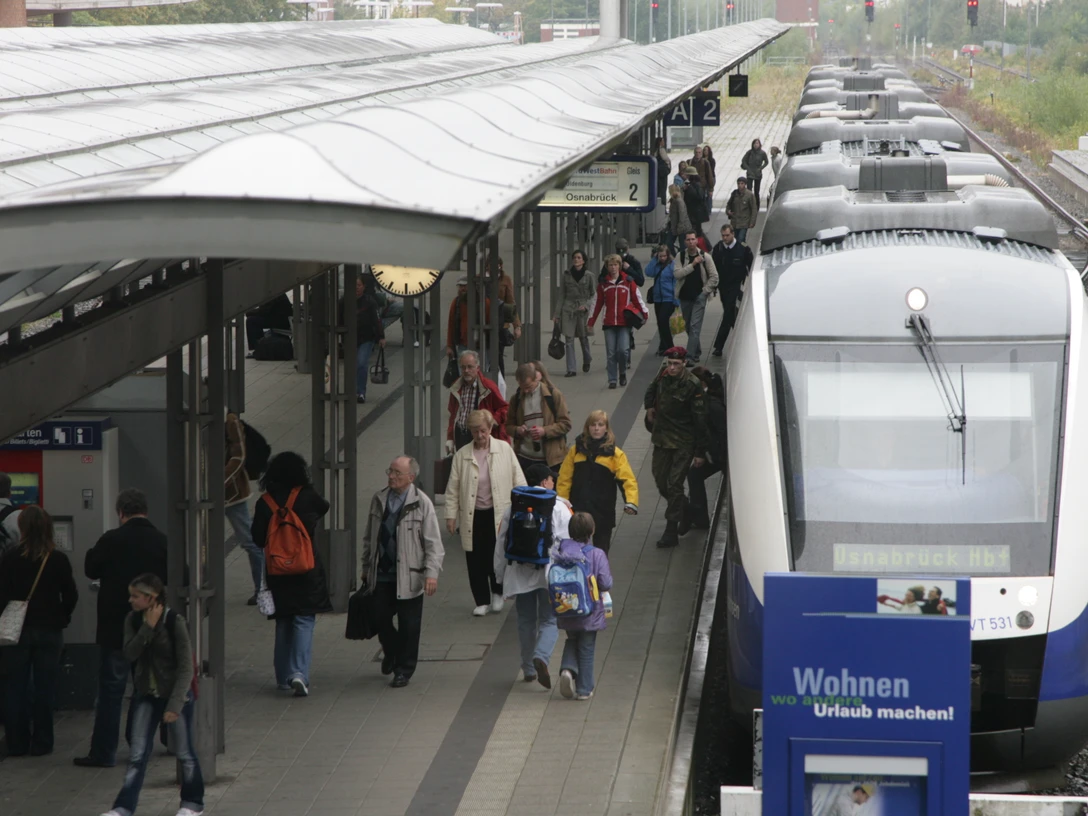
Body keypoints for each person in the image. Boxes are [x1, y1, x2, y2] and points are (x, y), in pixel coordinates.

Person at [75, 488, 168, 769]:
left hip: (115, 631)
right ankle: (139, 745)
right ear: (145, 511)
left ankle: (103, 753)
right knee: (143, 690)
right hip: (149, 630)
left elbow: (91, 568)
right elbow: (183, 574)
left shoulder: (111, 539)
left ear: (120, 512)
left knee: (111, 692)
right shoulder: (162, 541)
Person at [98, 573, 204, 816]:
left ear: (151, 597)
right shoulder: (133, 621)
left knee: (185, 752)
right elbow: (129, 654)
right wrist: (147, 628)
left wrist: (176, 705)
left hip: (176, 695)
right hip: (146, 694)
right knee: (137, 754)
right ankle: (123, 807)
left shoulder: (174, 621)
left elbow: (186, 666)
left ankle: (192, 803)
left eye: (135, 596)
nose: (131, 600)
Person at [252, 452, 332, 697]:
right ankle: (299, 673)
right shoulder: (307, 497)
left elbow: (256, 538)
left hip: (278, 571)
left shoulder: (265, 502)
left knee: (284, 621)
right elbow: (324, 507)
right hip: (307, 569)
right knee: (304, 620)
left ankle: (282, 677)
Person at [360, 456, 444, 688]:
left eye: (397, 473)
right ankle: (392, 651)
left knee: (409, 625)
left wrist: (431, 574)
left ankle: (403, 670)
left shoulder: (422, 503)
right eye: (390, 471)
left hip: (410, 576)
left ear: (410, 477)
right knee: (380, 619)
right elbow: (369, 537)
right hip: (382, 574)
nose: (391, 476)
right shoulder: (379, 499)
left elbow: (433, 543)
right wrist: (366, 567)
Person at [0, 506, 77, 757]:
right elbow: (71, 595)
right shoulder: (58, 559)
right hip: (50, 630)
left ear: (21, 528)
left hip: (17, 631)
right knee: (45, 687)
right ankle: (43, 742)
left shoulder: (9, 558)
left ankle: (17, 742)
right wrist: (62, 617)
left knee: (15, 687)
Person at [494, 463, 571, 687]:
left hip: (520, 571)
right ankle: (542, 655)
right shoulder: (559, 507)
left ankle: (528, 667)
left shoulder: (513, 507)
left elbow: (501, 542)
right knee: (549, 619)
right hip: (549, 573)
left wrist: (500, 577)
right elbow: (568, 544)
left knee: (525, 620)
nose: (554, 482)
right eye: (551, 479)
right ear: (545, 482)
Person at [445, 409, 526, 616]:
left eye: (482, 430)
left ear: (490, 428)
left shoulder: (504, 449)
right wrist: (451, 515)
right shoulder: (462, 455)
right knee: (474, 558)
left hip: (498, 513)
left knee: (496, 555)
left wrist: (522, 509)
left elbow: (519, 479)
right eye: (474, 432)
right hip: (473, 515)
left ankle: (498, 592)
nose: (479, 436)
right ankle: (481, 600)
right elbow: (453, 489)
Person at [644, 347, 708, 549]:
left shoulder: (692, 385)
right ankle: (687, 509)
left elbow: (700, 420)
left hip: (683, 441)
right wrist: (649, 407)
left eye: (676, 364)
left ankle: (671, 530)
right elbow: (651, 390)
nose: (672, 367)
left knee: (674, 484)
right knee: (660, 480)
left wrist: (699, 452)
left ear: (684, 364)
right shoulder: (663, 375)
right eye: (670, 363)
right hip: (662, 438)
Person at [557, 410, 638, 553]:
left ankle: (599, 575)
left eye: (600, 425)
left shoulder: (615, 454)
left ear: (606, 428)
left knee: (600, 551)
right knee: (576, 551)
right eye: (593, 425)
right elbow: (565, 478)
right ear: (587, 427)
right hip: (578, 511)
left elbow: (627, 479)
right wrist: (562, 502)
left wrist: (631, 501)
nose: (596, 428)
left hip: (603, 511)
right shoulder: (576, 450)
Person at [554, 512, 613, 701]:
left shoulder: (562, 551)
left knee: (572, 639)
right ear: (592, 531)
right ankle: (584, 689)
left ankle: (567, 669)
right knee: (587, 646)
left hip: (566, 607)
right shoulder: (596, 554)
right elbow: (605, 583)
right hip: (589, 610)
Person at [588, 254, 646, 390]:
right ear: (607, 267)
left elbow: (638, 299)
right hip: (609, 323)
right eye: (610, 265)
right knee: (611, 353)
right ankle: (612, 379)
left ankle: (623, 373)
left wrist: (644, 314)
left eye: (615, 265)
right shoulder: (603, 284)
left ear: (620, 266)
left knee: (623, 350)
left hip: (624, 323)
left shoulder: (628, 281)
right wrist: (590, 322)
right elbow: (597, 304)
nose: (613, 268)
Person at [506, 362, 572, 475]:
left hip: (550, 460)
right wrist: (517, 430)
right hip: (524, 458)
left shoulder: (553, 395)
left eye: (528, 387)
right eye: (522, 387)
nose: (525, 391)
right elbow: (508, 426)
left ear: (536, 379)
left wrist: (544, 431)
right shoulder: (516, 399)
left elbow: (566, 424)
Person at [225, 412, 263, 606]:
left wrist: (218, 481)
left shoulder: (229, 421)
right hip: (206, 493)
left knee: (250, 541)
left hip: (232, 493)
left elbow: (239, 457)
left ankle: (262, 588)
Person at [446, 349, 509, 453]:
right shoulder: (456, 387)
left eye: (470, 367)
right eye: (463, 367)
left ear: (477, 368)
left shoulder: (488, 387)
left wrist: (492, 420)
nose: (466, 370)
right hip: (461, 436)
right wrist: (450, 438)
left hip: (480, 437)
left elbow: (504, 408)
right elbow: (452, 415)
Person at [685, 368, 725, 531]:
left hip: (723, 455)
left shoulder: (712, 405)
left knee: (695, 474)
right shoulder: (703, 400)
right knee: (694, 474)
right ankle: (700, 519)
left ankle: (700, 518)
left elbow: (720, 432)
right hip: (717, 454)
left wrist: (704, 454)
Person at [340, 273, 385, 404]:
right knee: (351, 365)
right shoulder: (344, 302)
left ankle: (360, 392)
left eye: (359, 285)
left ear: (364, 287)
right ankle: (351, 390)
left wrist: (381, 337)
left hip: (366, 338)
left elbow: (377, 320)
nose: (356, 288)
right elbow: (339, 318)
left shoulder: (369, 302)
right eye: (354, 285)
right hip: (349, 338)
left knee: (361, 363)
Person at [674, 231, 719, 365]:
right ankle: (697, 350)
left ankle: (689, 356)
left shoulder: (706, 257)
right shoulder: (680, 256)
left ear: (697, 241)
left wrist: (705, 292)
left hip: (699, 297)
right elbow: (677, 274)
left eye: (693, 239)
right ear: (685, 242)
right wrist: (693, 264)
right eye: (688, 240)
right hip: (685, 296)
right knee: (688, 325)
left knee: (695, 326)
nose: (691, 242)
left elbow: (714, 277)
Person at [710, 224, 755, 357]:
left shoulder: (743, 249)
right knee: (730, 314)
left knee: (729, 311)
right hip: (723, 286)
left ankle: (719, 346)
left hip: (737, 285)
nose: (725, 238)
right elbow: (713, 268)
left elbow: (751, 267)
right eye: (723, 235)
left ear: (733, 234)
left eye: (727, 235)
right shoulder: (718, 248)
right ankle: (742, 338)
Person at [553, 249, 596, 378]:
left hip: (582, 310)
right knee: (569, 339)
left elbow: (594, 294)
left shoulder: (589, 276)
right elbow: (562, 295)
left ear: (583, 260)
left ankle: (587, 359)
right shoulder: (566, 275)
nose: (576, 260)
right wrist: (557, 314)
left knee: (583, 337)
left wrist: (587, 305)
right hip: (568, 308)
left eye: (579, 257)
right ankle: (571, 369)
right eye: (574, 257)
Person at [645, 244, 679, 355]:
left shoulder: (672, 265)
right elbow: (648, 272)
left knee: (663, 321)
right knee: (660, 323)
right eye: (660, 256)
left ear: (668, 255)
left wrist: (676, 300)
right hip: (658, 298)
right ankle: (663, 346)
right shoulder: (657, 265)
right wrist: (654, 259)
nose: (662, 258)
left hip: (669, 298)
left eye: (664, 256)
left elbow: (676, 283)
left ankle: (670, 346)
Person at [245, 293, 293, 358]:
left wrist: (249, 313)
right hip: (281, 319)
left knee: (251, 321)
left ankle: (258, 348)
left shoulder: (272, 293)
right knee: (253, 320)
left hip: (279, 321)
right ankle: (259, 346)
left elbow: (264, 311)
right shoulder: (276, 291)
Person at [726, 176, 758, 245]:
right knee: (735, 239)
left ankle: (745, 250)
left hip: (744, 222)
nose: (740, 185)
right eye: (739, 183)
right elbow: (729, 204)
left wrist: (752, 222)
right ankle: (742, 249)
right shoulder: (734, 194)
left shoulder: (749, 195)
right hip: (734, 222)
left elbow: (754, 209)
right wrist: (728, 212)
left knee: (741, 238)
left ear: (745, 184)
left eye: (742, 183)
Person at [682, 167, 710, 238]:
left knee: (697, 231)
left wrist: (689, 187)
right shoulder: (690, 184)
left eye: (687, 175)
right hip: (692, 212)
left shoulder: (697, 185)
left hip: (696, 212)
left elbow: (699, 196)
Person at [740, 138, 769, 206]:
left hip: (758, 174)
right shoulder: (749, 152)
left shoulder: (762, 153)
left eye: (757, 143)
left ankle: (757, 205)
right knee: (749, 190)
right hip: (750, 173)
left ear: (759, 144)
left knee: (756, 191)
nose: (756, 145)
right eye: (754, 143)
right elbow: (743, 161)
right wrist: (748, 168)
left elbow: (766, 162)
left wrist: (761, 168)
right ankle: (749, 204)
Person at [666, 184, 692, 255]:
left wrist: (679, 228)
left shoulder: (678, 201)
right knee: (669, 243)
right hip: (675, 226)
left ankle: (679, 259)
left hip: (682, 227)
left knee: (682, 246)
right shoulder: (674, 200)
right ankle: (676, 258)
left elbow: (682, 215)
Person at [691, 145, 716, 215]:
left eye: (699, 152)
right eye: (696, 152)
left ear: (701, 153)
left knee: (702, 201)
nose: (698, 154)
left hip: (702, 186)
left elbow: (709, 176)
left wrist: (711, 189)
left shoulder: (705, 162)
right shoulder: (690, 162)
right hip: (693, 186)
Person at [655, 136, 671, 204]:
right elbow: (665, 158)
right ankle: (662, 203)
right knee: (663, 188)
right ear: (660, 142)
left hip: (658, 171)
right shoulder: (661, 150)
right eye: (663, 141)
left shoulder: (655, 150)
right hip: (662, 172)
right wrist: (668, 163)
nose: (664, 142)